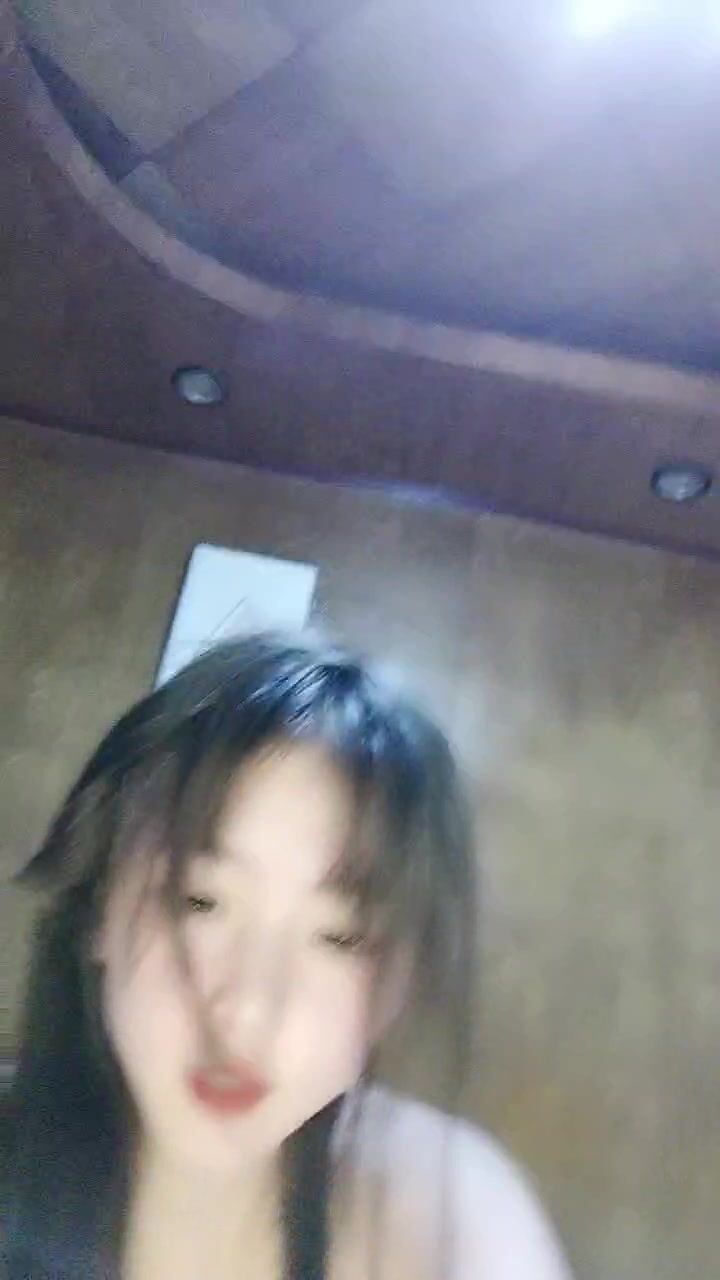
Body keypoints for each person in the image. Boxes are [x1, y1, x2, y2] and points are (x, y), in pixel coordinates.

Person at [1, 633, 572, 1280]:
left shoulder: (445, 1215)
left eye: (341, 938)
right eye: (199, 901)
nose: (249, 1011)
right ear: (101, 901)